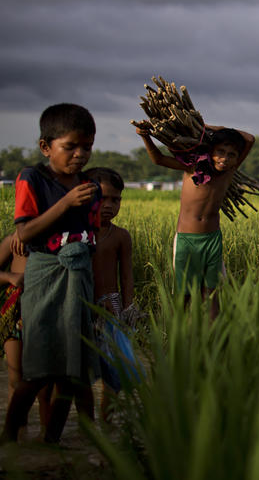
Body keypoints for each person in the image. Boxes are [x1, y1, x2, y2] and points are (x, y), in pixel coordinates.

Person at [2, 103, 101, 444]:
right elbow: (25, 234)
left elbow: (92, 239)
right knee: (37, 369)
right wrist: (65, 203)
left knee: (74, 371)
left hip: (80, 277)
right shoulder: (33, 178)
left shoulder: (91, 186)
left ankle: (51, 443)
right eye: (70, 147)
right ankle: (10, 438)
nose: (79, 154)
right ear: (46, 147)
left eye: (86, 147)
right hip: (45, 274)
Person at [137, 123, 255, 318]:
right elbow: (158, 159)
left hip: (212, 239)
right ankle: (178, 339)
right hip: (187, 240)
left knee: (212, 293)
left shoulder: (229, 172)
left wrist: (210, 127)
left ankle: (212, 339)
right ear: (211, 151)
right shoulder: (193, 167)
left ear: (236, 159)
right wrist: (145, 137)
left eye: (231, 154)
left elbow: (249, 138)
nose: (225, 158)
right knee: (185, 293)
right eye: (220, 152)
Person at [85, 167, 141, 420]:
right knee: (79, 370)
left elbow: (126, 275)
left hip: (111, 308)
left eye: (115, 200)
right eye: (102, 198)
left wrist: (128, 309)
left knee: (116, 371)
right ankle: (81, 428)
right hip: (82, 306)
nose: (108, 205)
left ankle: (105, 425)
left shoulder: (120, 236)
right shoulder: (77, 234)